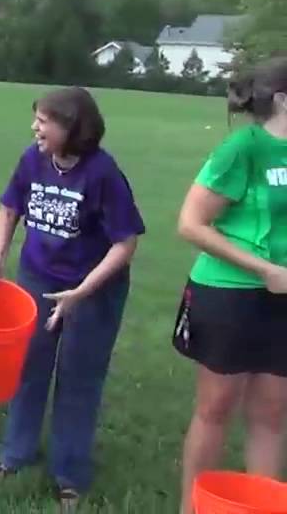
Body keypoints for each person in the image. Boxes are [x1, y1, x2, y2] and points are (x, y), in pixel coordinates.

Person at [0, 86, 145, 510]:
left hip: (93, 289)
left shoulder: (102, 173)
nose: (35, 127)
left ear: (72, 127)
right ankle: (14, 455)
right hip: (37, 277)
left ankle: (69, 474)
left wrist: (80, 293)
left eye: (43, 121)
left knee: (78, 378)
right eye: (36, 118)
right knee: (29, 367)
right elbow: (9, 208)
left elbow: (125, 243)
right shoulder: (33, 159)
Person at [174, 57, 287, 514]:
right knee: (216, 408)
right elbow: (191, 223)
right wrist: (263, 269)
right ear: (282, 99)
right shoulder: (244, 148)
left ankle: (260, 506)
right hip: (229, 295)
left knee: (273, 414)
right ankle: (192, 506)